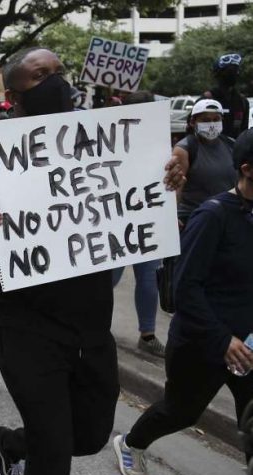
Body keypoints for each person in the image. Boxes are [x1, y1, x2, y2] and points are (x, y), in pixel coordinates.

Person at [0, 46, 185, 475]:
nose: (58, 81)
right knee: (54, 448)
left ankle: (9, 442)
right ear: (16, 93)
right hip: (25, 328)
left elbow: (149, 192)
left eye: (59, 72)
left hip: (90, 328)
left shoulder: (109, 147)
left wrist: (170, 169)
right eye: (43, 76)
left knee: (89, 435)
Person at [114, 129, 253, 475]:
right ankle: (131, 444)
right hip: (203, 341)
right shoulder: (213, 216)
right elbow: (184, 288)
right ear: (247, 169)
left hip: (250, 344)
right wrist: (223, 339)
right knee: (181, 411)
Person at [112, 91, 166, 357]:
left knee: (148, 277)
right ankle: (97, 327)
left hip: (145, 217)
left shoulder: (158, 141)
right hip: (117, 219)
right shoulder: (111, 138)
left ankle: (148, 334)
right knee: (110, 278)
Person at [173, 99, 237, 226]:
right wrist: (171, 216)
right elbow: (175, 187)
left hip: (227, 218)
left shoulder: (231, 144)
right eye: (206, 120)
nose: (212, 124)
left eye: (216, 119)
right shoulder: (185, 149)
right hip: (195, 219)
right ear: (193, 122)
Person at [203, 53, 249, 139]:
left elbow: (244, 132)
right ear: (218, 74)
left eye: (236, 70)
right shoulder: (207, 100)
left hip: (235, 150)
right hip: (211, 150)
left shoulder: (242, 101)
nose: (235, 74)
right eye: (230, 71)